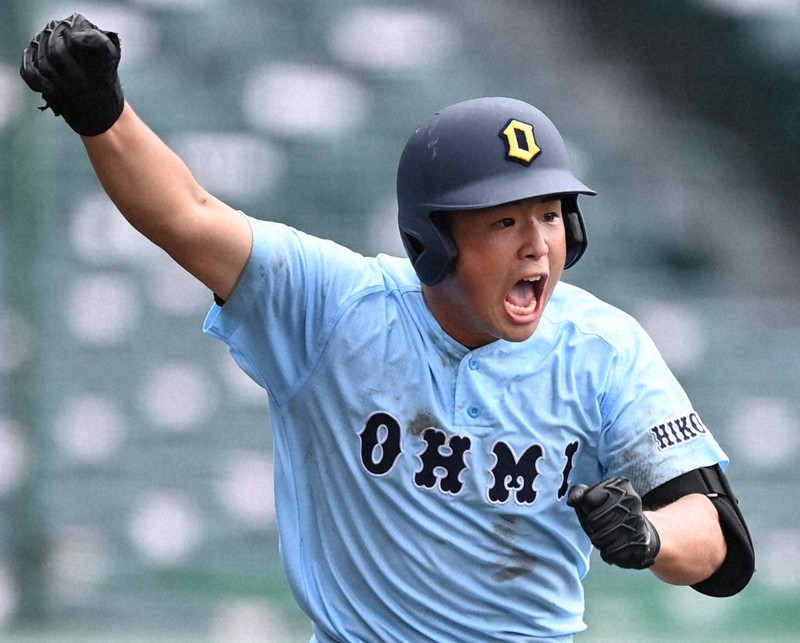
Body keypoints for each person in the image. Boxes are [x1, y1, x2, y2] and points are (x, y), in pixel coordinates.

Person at [20, 13, 755, 643]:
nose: (539, 244)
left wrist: (652, 535)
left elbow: (722, 541)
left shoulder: (602, 347)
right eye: (504, 220)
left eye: (552, 215)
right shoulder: (337, 308)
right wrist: (104, 114)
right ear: (432, 240)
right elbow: (189, 216)